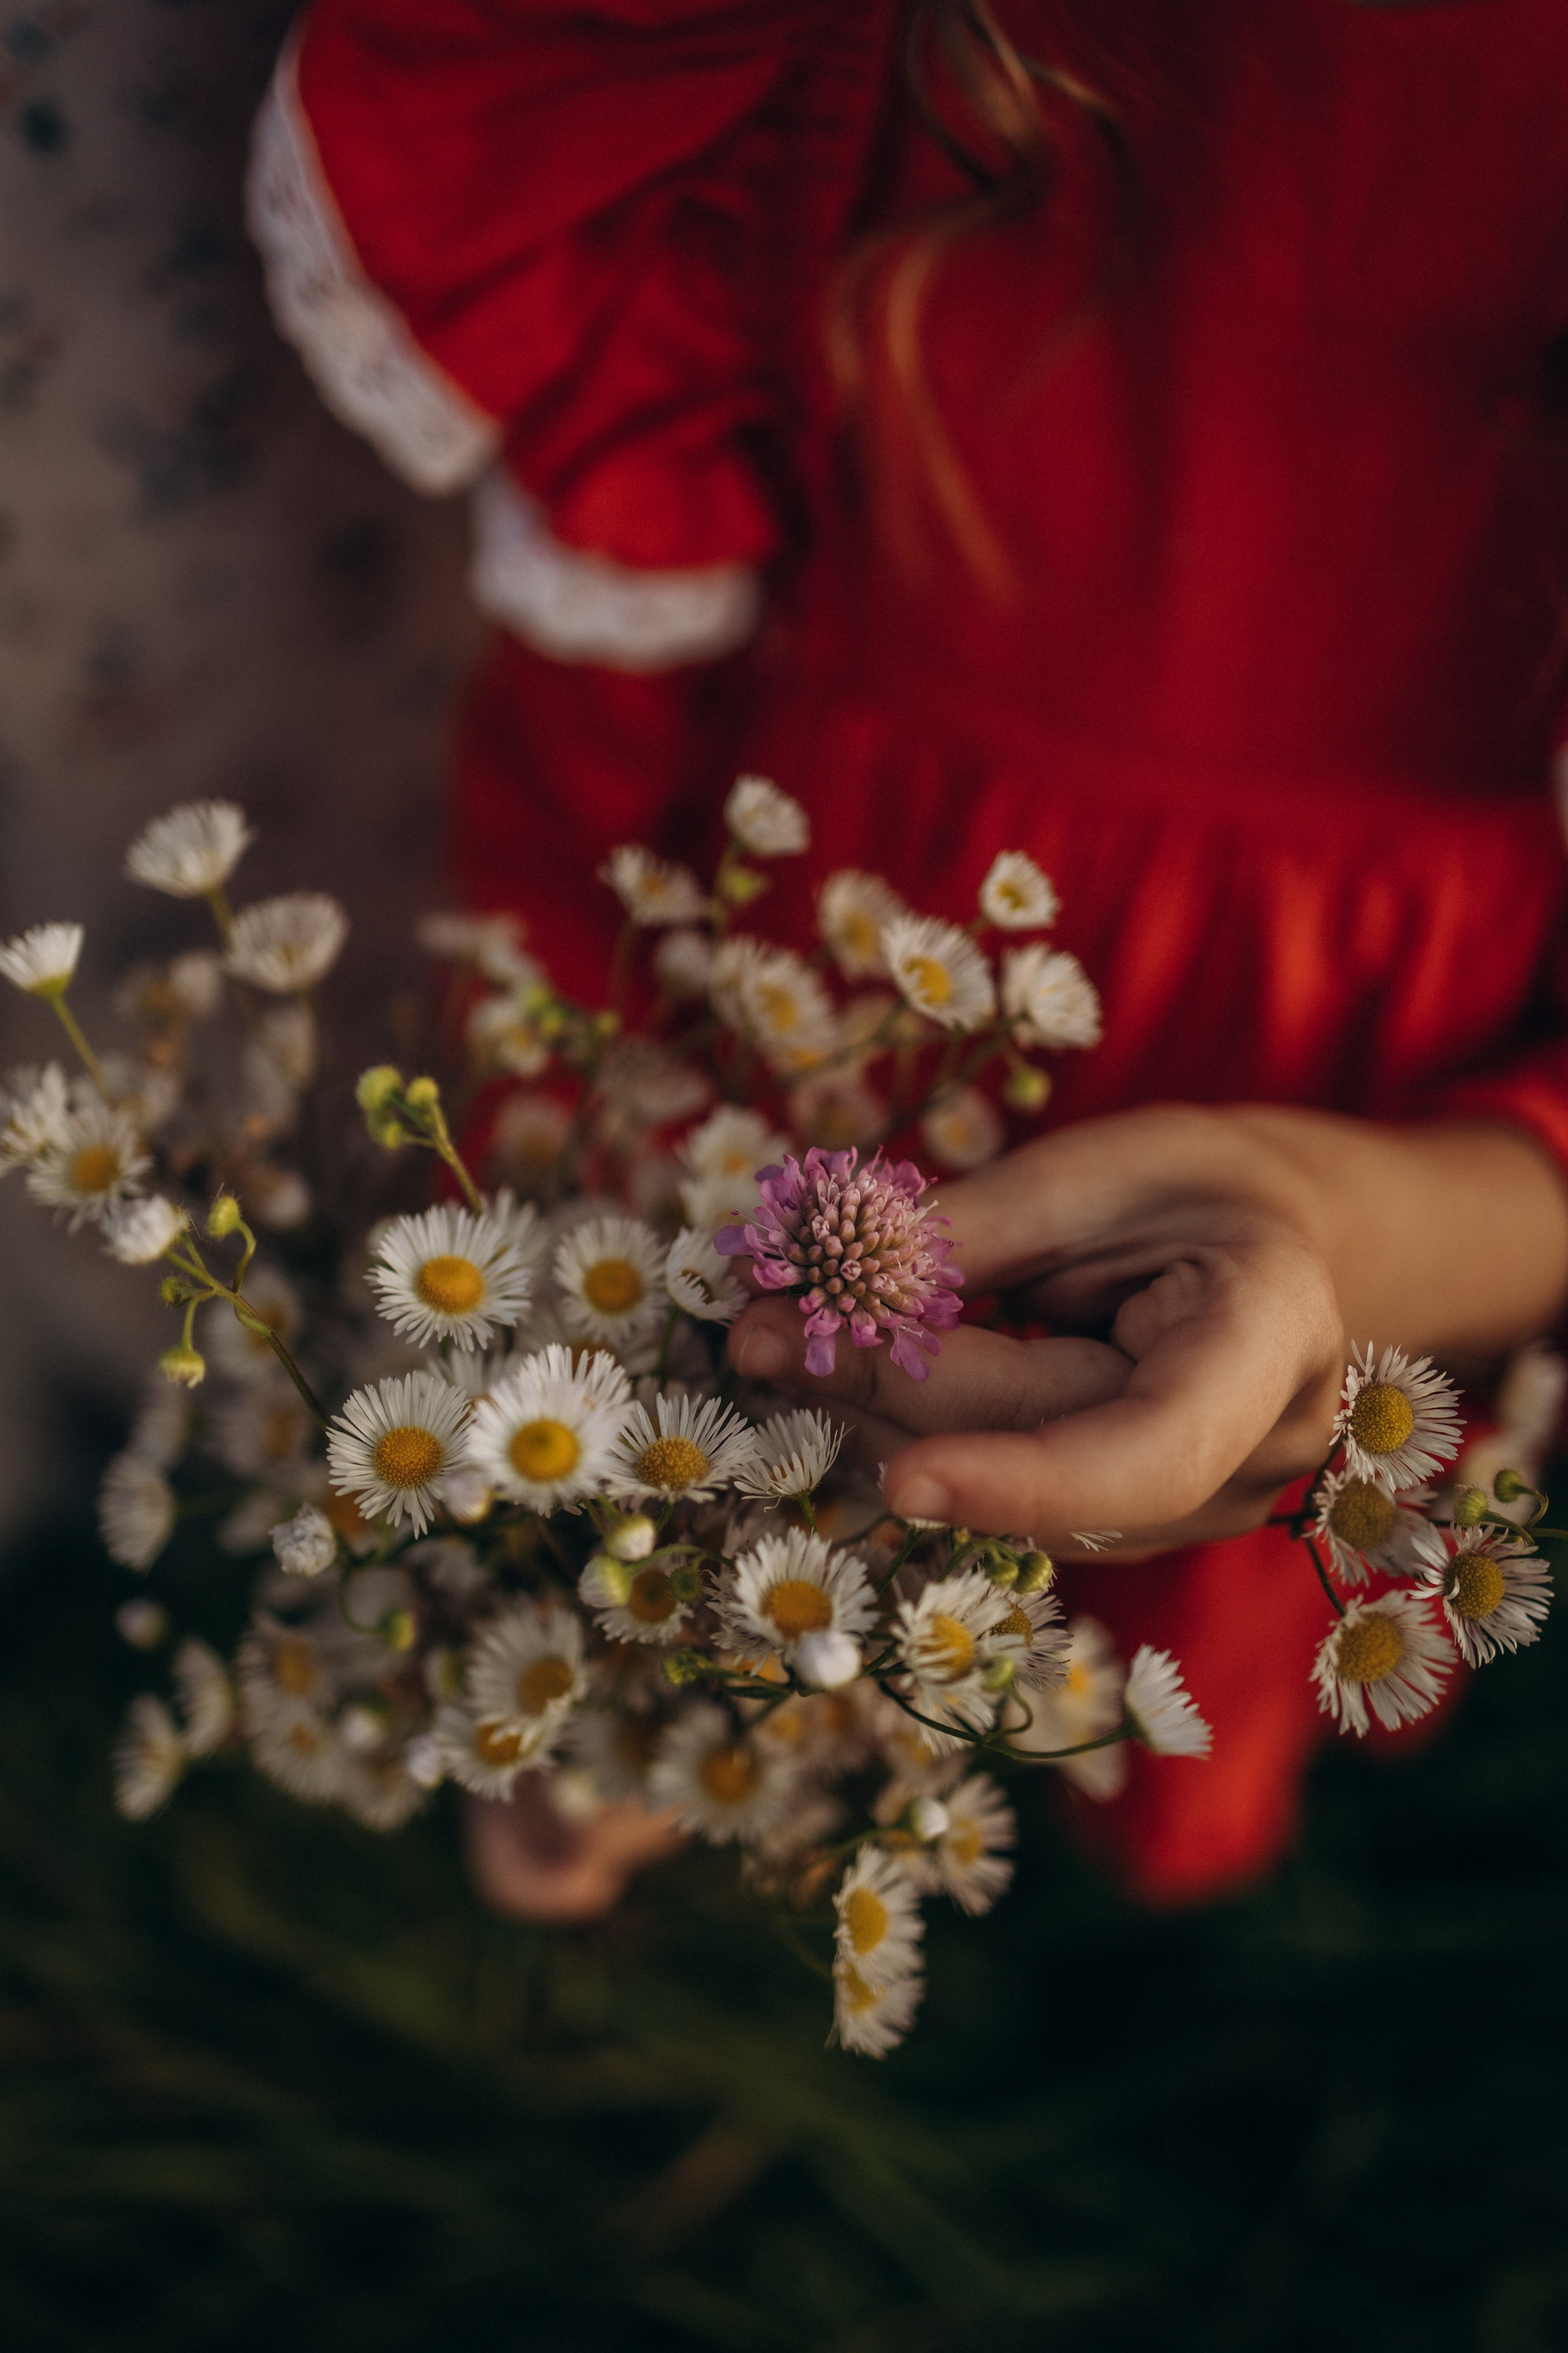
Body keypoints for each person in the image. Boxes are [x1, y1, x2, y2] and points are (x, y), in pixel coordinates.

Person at [249, 0, 1568, 1911]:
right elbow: (580, 825)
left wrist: (1330, 1223)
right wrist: (600, 1590)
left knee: (1171, 1553)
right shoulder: (800, 76)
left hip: (1388, 1084)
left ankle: (1129, 1791)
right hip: (815, 997)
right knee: (802, 1436)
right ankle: (762, 1728)